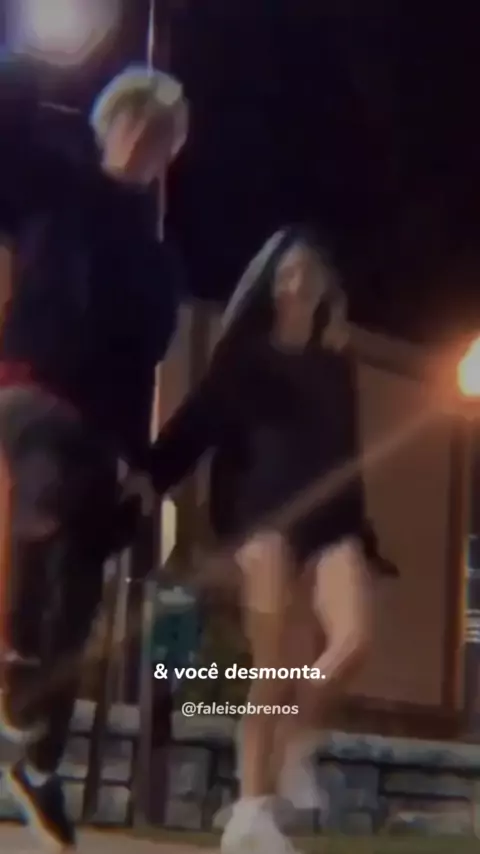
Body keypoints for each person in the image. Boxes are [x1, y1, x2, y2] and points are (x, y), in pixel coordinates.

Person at [0, 64, 186, 849]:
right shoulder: (56, 184)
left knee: (78, 597)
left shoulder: (156, 266)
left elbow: (141, 371)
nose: (141, 139)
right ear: (108, 124)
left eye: (158, 134)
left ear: (167, 154)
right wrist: (27, 68)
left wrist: (139, 466)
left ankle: (38, 763)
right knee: (40, 488)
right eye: (133, 121)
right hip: (30, 390)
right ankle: (16, 693)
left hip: (99, 431)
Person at [148, 227, 373, 854]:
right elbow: (195, 426)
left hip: (330, 522)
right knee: (273, 659)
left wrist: (363, 531)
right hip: (258, 516)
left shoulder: (336, 362)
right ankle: (251, 809)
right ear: (272, 283)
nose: (298, 283)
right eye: (287, 272)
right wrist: (149, 477)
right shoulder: (244, 359)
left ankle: (292, 747)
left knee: (353, 640)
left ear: (325, 283)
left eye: (308, 272)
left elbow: (348, 453)